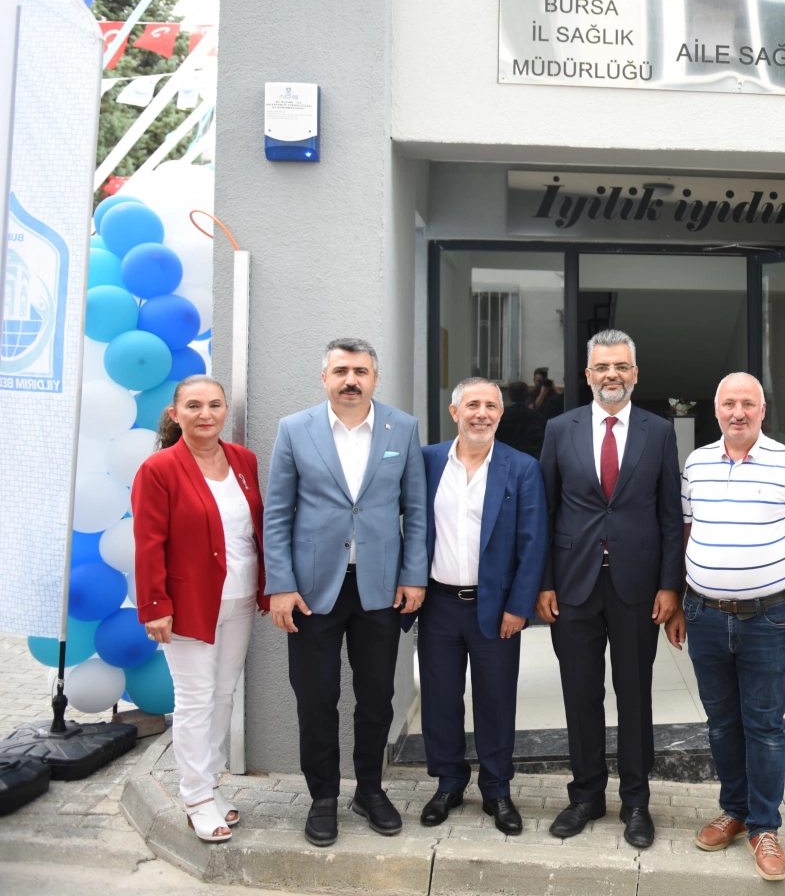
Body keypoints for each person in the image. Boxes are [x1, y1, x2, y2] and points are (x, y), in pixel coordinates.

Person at [261, 339, 428, 848]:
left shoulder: (403, 427)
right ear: (325, 378)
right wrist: (281, 586)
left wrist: (414, 575)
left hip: (380, 588)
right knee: (316, 699)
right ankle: (323, 798)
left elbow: (416, 510)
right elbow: (277, 514)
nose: (350, 380)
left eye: (360, 371)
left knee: (377, 698)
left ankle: (370, 790)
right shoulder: (294, 429)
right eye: (341, 371)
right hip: (312, 592)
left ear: (375, 378)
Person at [666, 372, 785, 883]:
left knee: (764, 726)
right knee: (720, 723)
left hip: (768, 618)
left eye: (748, 404)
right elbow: (685, 533)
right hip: (705, 615)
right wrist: (678, 603)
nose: (738, 412)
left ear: (762, 410)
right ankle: (733, 811)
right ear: (717, 411)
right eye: (729, 404)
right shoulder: (696, 464)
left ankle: (764, 826)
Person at [535, 329, 682, 849]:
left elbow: (670, 515)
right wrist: (544, 583)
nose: (611, 375)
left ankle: (636, 802)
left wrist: (670, 586)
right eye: (602, 367)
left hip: (637, 588)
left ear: (635, 374)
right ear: (588, 375)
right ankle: (586, 797)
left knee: (635, 695)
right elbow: (544, 510)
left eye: (620, 366)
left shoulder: (659, 432)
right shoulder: (560, 428)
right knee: (580, 693)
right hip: (573, 585)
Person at [132, 376, 267, 844]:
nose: (205, 414)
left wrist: (267, 587)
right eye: (193, 406)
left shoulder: (243, 460)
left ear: (226, 410)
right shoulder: (159, 468)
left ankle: (210, 783)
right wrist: (155, 606)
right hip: (189, 603)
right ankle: (194, 797)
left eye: (214, 405)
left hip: (241, 597)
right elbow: (148, 542)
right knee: (194, 700)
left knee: (223, 695)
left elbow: (254, 529)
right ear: (176, 414)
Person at [410, 377, 548, 835]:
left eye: (490, 406)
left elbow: (533, 543)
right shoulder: (427, 461)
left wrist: (519, 607)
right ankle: (448, 783)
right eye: (472, 405)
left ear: (501, 414)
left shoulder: (521, 468)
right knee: (440, 699)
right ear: (455, 412)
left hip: (497, 607)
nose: (482, 414)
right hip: (438, 604)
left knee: (496, 700)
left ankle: (497, 789)